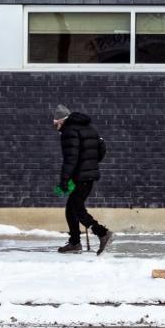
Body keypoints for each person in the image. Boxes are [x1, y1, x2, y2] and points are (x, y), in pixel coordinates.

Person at [52, 104, 113, 255]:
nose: (55, 126)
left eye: (56, 123)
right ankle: (74, 243)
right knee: (71, 208)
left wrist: (64, 180)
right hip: (88, 174)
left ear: (61, 121)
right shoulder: (88, 128)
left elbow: (70, 159)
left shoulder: (69, 132)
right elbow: (102, 147)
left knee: (77, 209)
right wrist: (91, 163)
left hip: (80, 176)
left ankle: (102, 233)